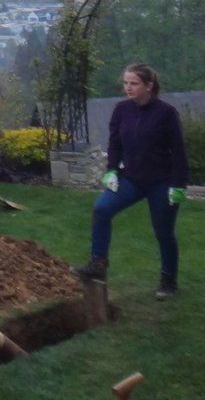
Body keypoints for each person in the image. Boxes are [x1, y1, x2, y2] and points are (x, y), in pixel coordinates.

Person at [73, 63, 189, 299]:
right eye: (126, 83)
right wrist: (111, 170)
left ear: (149, 86)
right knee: (102, 209)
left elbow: (178, 151)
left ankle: (169, 280)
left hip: (161, 182)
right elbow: (115, 143)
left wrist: (178, 185)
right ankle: (98, 264)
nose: (128, 88)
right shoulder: (121, 110)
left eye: (134, 83)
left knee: (164, 232)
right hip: (132, 179)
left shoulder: (166, 113)